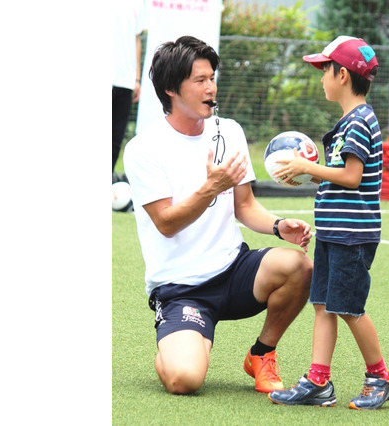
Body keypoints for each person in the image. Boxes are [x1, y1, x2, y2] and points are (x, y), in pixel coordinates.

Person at [122, 35, 314, 396]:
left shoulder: (230, 131)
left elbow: (244, 206)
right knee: (184, 380)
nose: (211, 88)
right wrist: (211, 187)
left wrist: (277, 226)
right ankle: (176, 345)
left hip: (233, 270)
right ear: (171, 90)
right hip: (182, 289)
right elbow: (166, 222)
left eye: (212, 78)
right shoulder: (143, 149)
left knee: (299, 266)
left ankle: (262, 353)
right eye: (200, 80)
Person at [266, 36, 389, 410]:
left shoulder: (359, 122)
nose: (321, 77)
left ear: (342, 74)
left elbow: (352, 176)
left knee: (349, 306)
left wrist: (308, 167)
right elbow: (337, 176)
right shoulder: (348, 122)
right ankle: (318, 381)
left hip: (352, 236)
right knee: (323, 304)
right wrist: (310, 179)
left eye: (324, 70)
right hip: (334, 232)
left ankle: (381, 376)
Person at [113, 0, 146, 175]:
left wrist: (137, 78)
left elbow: (136, 38)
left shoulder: (138, 3)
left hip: (125, 82)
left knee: (115, 141)